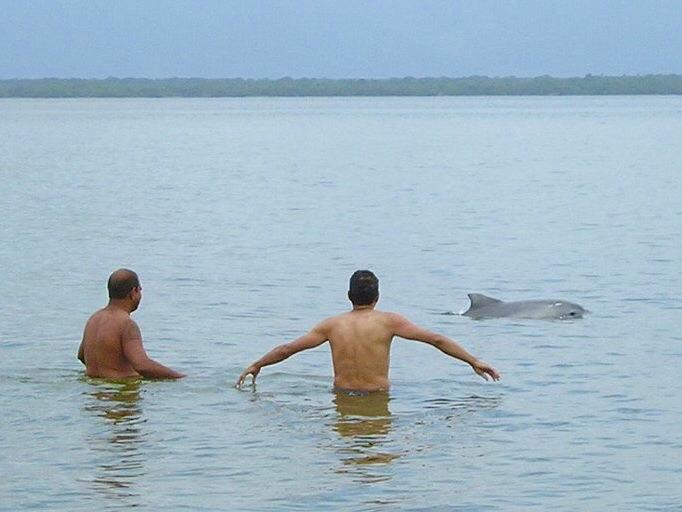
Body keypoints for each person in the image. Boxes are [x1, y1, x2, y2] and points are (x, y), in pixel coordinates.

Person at [236, 270, 500, 391]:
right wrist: (473, 361)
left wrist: (257, 364)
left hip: (341, 398)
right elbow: (437, 339)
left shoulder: (331, 325)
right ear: (378, 296)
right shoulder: (389, 322)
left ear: (348, 295)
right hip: (376, 398)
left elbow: (287, 349)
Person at [77, 269, 185, 379]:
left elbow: (81, 355)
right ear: (133, 292)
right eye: (140, 290)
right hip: (120, 392)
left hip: (95, 392)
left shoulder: (94, 319)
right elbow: (142, 365)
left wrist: (106, 369)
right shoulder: (127, 324)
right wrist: (180, 377)